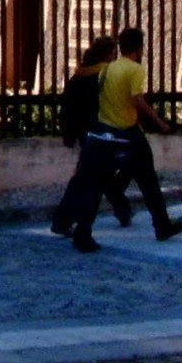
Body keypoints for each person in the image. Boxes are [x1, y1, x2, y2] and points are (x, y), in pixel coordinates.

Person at [98, 26, 182, 243]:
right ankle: (162, 224)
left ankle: (114, 206)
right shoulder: (135, 70)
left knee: (104, 175)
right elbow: (137, 100)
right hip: (128, 131)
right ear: (139, 48)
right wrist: (160, 123)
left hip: (107, 128)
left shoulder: (107, 69)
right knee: (148, 179)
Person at [50, 36, 134, 252]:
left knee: (89, 178)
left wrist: (68, 132)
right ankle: (82, 230)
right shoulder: (106, 76)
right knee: (94, 182)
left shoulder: (80, 76)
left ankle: (65, 221)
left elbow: (67, 106)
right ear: (107, 54)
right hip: (102, 134)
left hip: (84, 133)